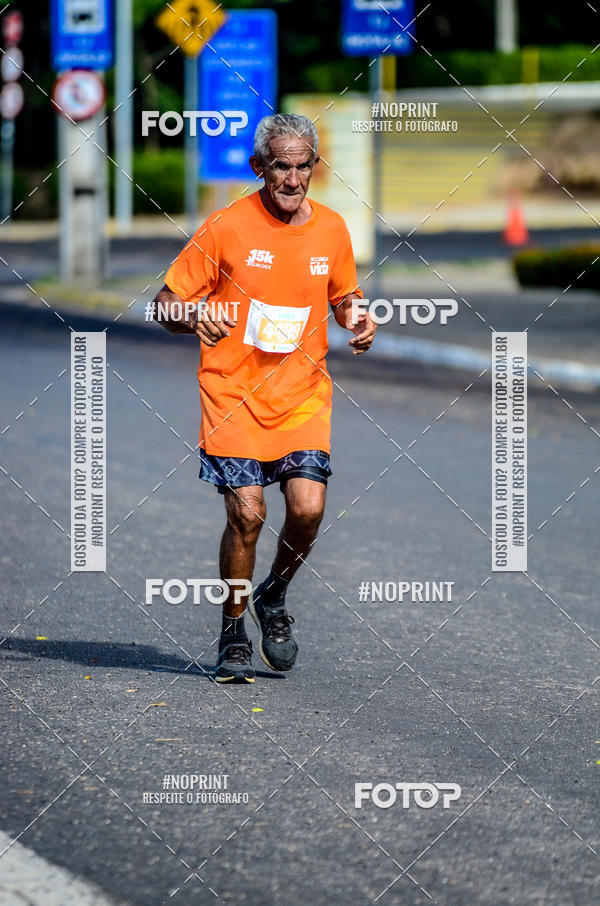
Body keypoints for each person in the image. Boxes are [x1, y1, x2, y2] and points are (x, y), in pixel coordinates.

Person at [153, 113, 375, 683]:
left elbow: (343, 295)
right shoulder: (226, 227)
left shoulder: (331, 230)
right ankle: (232, 632)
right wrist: (193, 313)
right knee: (247, 514)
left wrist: (358, 319)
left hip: (301, 394)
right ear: (260, 168)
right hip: (232, 394)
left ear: (315, 170)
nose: (293, 179)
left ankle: (272, 594)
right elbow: (163, 304)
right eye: (282, 166)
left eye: (304, 167)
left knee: (307, 508)